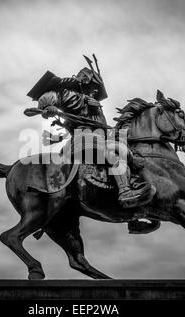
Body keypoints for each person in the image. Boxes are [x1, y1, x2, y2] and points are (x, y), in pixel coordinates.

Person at [27, 55, 156, 211]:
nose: (96, 90)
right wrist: (48, 109)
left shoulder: (97, 108)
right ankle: (124, 192)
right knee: (112, 154)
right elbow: (46, 99)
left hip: (101, 138)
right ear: (85, 82)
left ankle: (135, 207)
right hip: (83, 139)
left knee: (127, 154)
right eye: (94, 85)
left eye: (97, 88)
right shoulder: (67, 94)